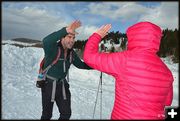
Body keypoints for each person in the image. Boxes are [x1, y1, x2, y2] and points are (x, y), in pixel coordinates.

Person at [83, 22, 174, 120]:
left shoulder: (124, 59)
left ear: (133, 37)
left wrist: (97, 35)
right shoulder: (167, 71)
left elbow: (88, 57)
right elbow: (167, 102)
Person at [40, 20, 92, 120]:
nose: (72, 40)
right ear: (62, 38)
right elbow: (46, 41)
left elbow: (81, 65)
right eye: (69, 37)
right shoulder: (52, 49)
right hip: (48, 85)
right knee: (47, 115)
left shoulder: (71, 53)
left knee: (66, 114)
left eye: (73, 38)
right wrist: (65, 30)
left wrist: (98, 65)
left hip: (63, 86)